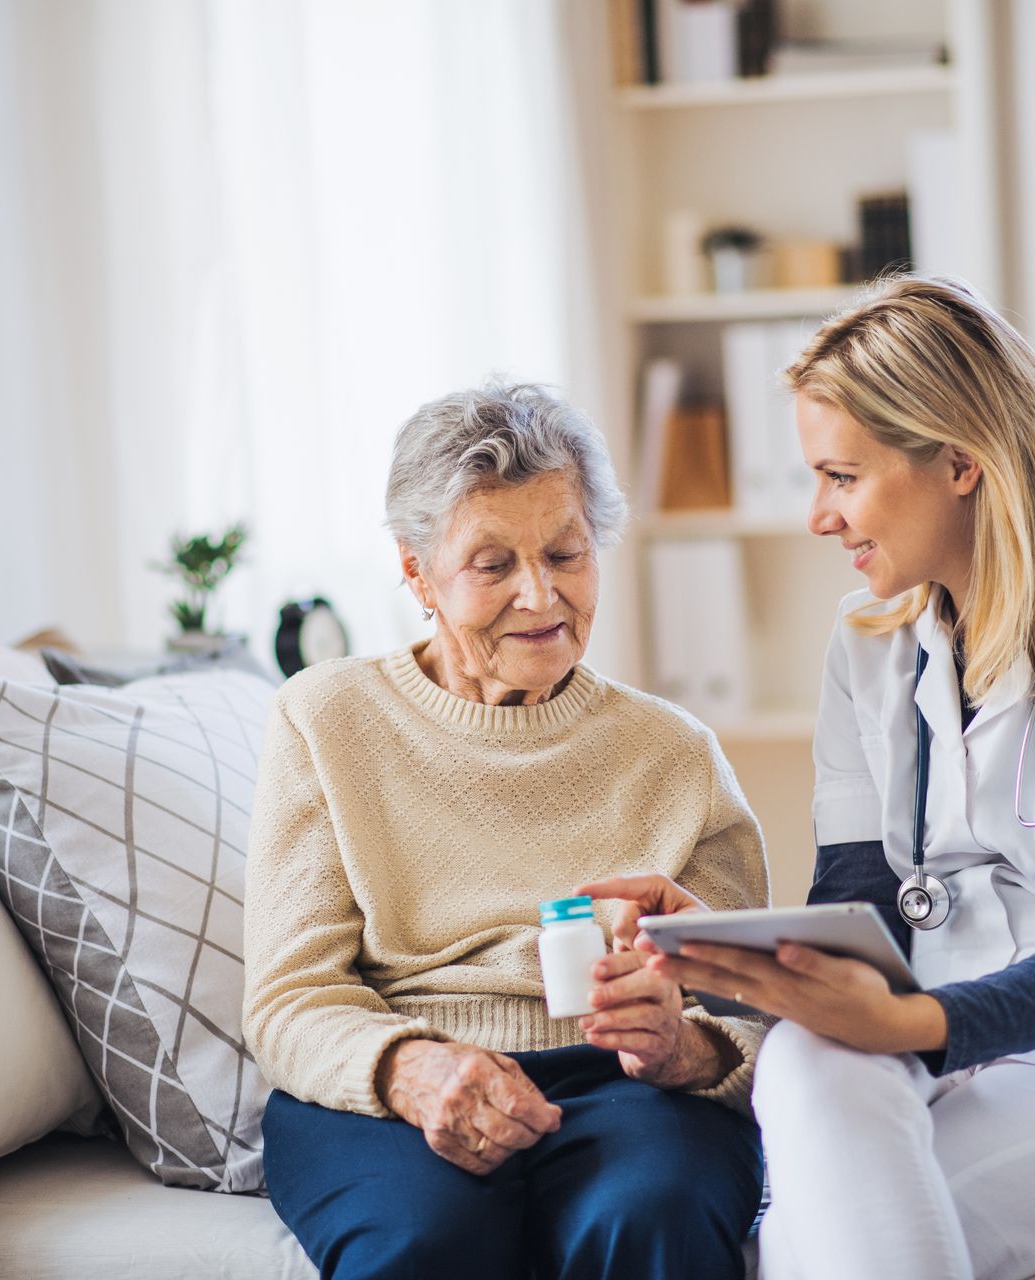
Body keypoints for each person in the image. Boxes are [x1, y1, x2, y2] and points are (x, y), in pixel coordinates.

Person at [593, 276, 1035, 1279]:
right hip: (948, 1042)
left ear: (959, 460)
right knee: (809, 1056)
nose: (820, 516)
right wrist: (735, 955)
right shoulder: (867, 642)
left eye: (841, 475)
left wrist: (905, 1024)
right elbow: (861, 915)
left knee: (810, 1241)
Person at [241, 381, 769, 1280]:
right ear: (416, 571)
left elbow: (752, 1013)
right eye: (493, 565)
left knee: (652, 1220)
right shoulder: (324, 720)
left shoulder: (674, 753)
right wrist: (412, 1070)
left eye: (567, 552)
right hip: (396, 1074)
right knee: (423, 1242)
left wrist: (685, 1046)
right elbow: (291, 998)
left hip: (622, 1082)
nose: (542, 594)